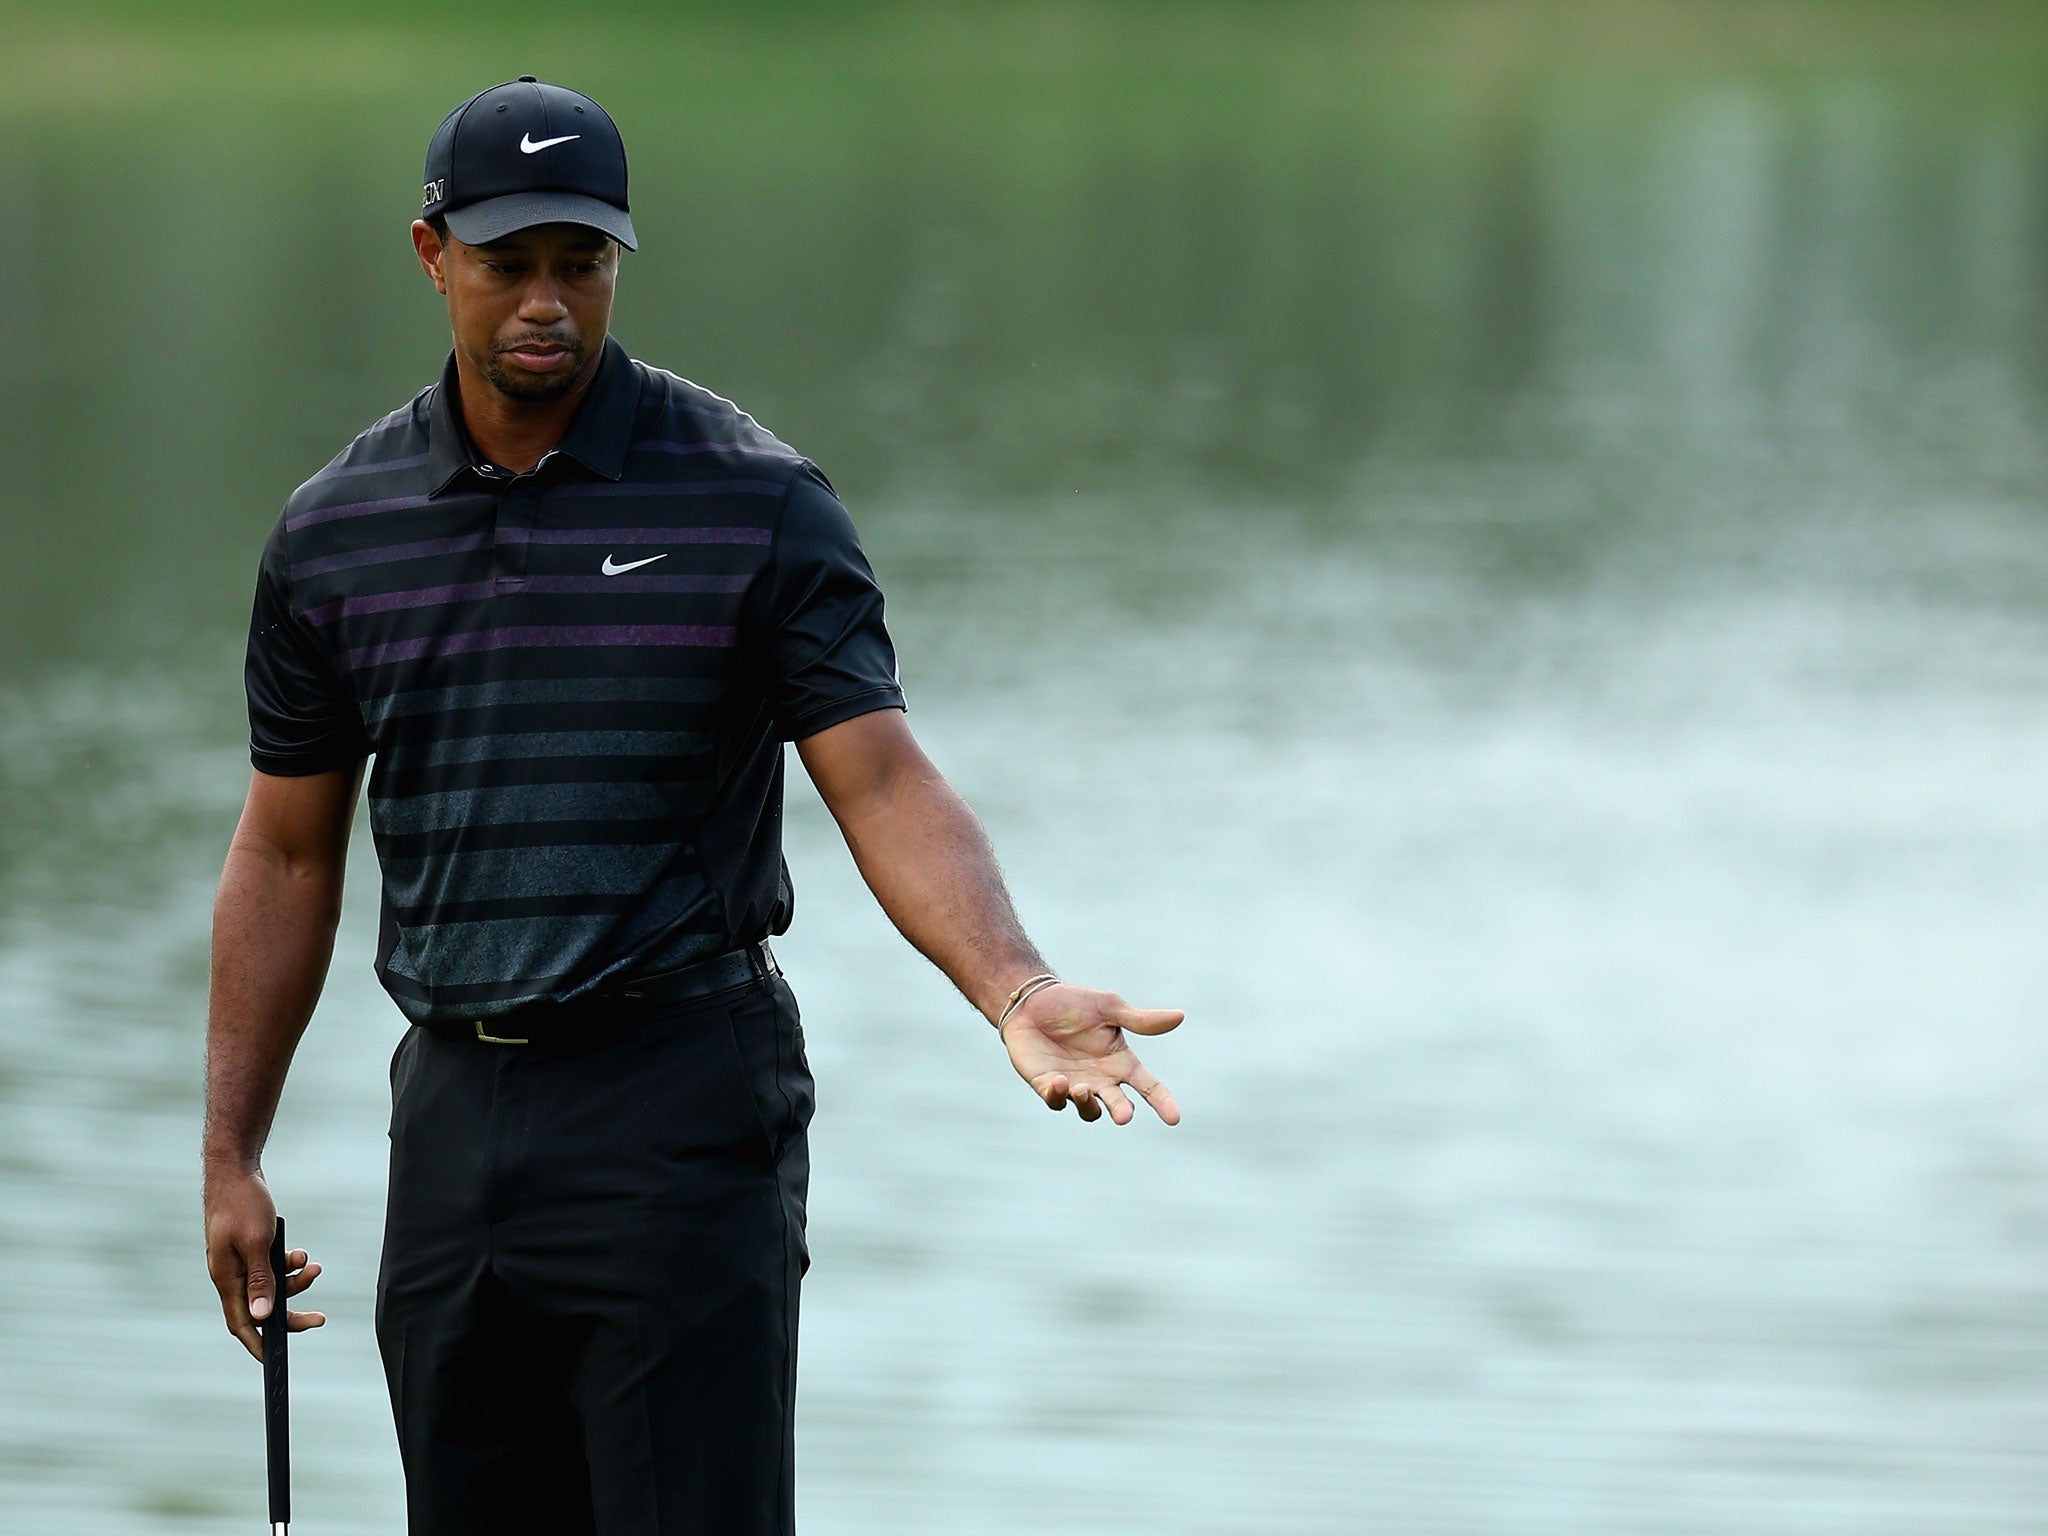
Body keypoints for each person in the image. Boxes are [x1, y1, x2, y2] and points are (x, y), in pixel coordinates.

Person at [200, 76, 1183, 1536]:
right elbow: (287, 854)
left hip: (678, 1106)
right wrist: (232, 1151)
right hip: (454, 1115)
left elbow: (881, 775)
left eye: (580, 265)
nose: (547, 301)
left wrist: (1013, 984)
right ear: (432, 256)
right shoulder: (338, 532)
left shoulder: (753, 499)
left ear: (618, 262)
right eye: (508, 262)